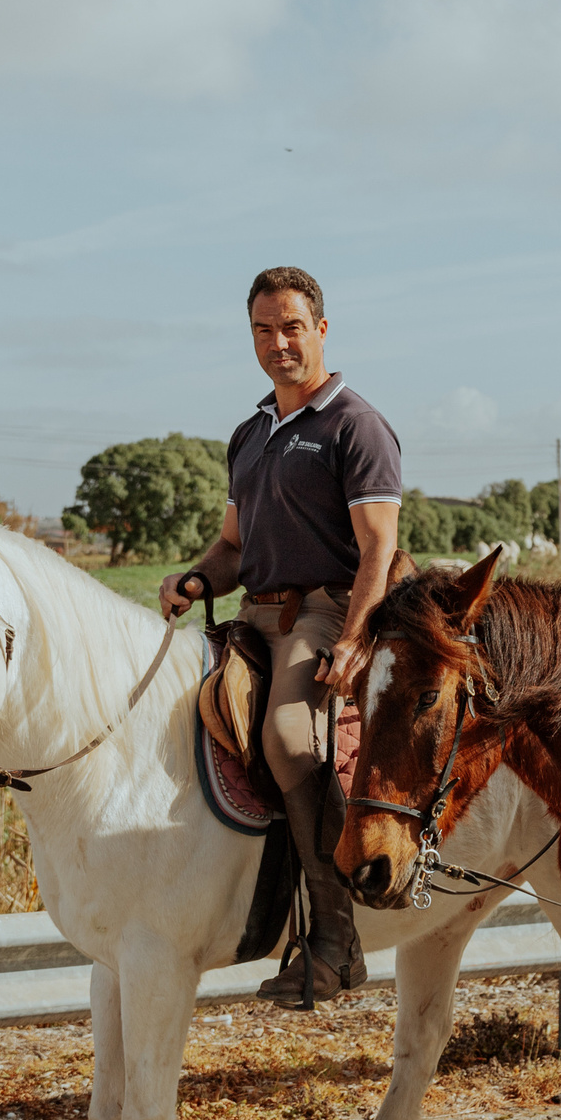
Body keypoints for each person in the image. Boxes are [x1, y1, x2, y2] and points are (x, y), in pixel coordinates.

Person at [159, 267, 403, 1005]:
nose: (279, 343)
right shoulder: (250, 433)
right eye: (264, 330)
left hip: (323, 610)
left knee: (291, 735)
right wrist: (197, 578)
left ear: (322, 330)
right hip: (255, 611)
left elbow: (377, 549)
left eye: (292, 327)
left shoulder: (354, 424)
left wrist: (356, 637)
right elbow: (232, 548)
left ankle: (336, 939)